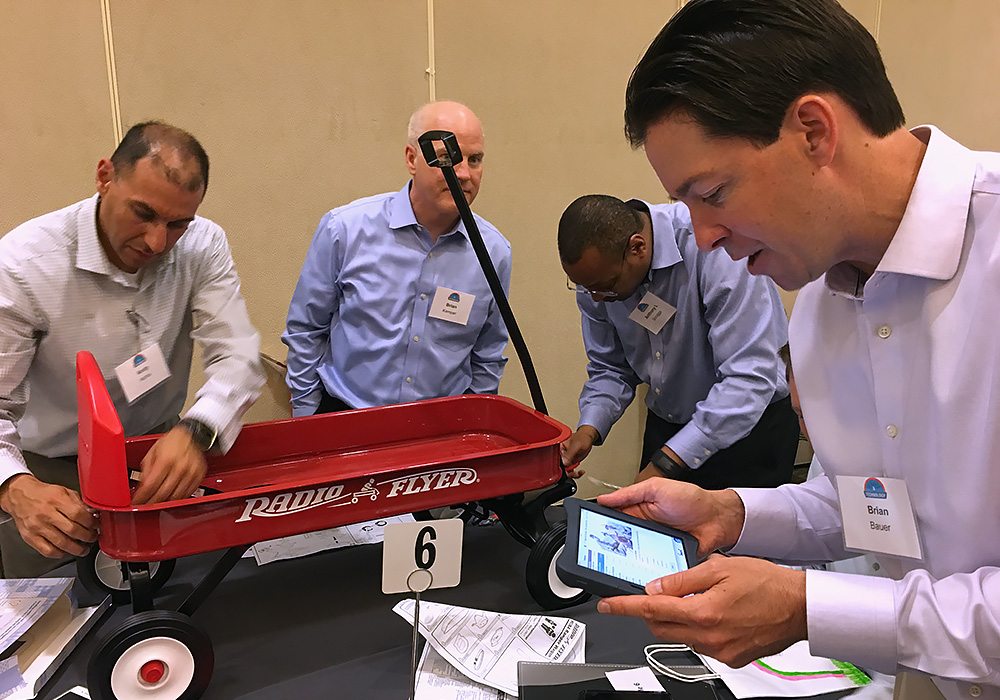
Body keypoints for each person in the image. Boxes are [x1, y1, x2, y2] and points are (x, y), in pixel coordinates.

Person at [595, 1, 1000, 698]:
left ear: (814, 131)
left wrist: (809, 607)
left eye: (713, 193)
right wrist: (733, 514)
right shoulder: (820, 306)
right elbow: (872, 507)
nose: (703, 238)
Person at [0, 121, 264, 577]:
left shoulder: (203, 244)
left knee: (169, 600)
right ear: (105, 176)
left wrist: (197, 430)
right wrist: (14, 487)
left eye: (178, 222)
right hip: (51, 473)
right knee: (60, 619)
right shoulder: (24, 266)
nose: (157, 242)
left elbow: (238, 353)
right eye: (143, 213)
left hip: (156, 456)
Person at [282, 101, 511, 416]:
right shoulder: (345, 230)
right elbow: (306, 331)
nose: (463, 174)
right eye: (447, 158)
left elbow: (487, 355)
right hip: (346, 416)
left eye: (475, 160)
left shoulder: (493, 252)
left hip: (438, 431)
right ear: (411, 159)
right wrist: (307, 421)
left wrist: (471, 429)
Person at [558, 195, 797, 488]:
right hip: (669, 425)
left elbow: (748, 378)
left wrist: (666, 463)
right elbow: (610, 368)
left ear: (637, 247)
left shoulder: (713, 247)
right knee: (656, 528)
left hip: (749, 429)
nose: (596, 298)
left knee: (740, 534)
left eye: (605, 287)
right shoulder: (599, 278)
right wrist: (588, 430)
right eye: (585, 289)